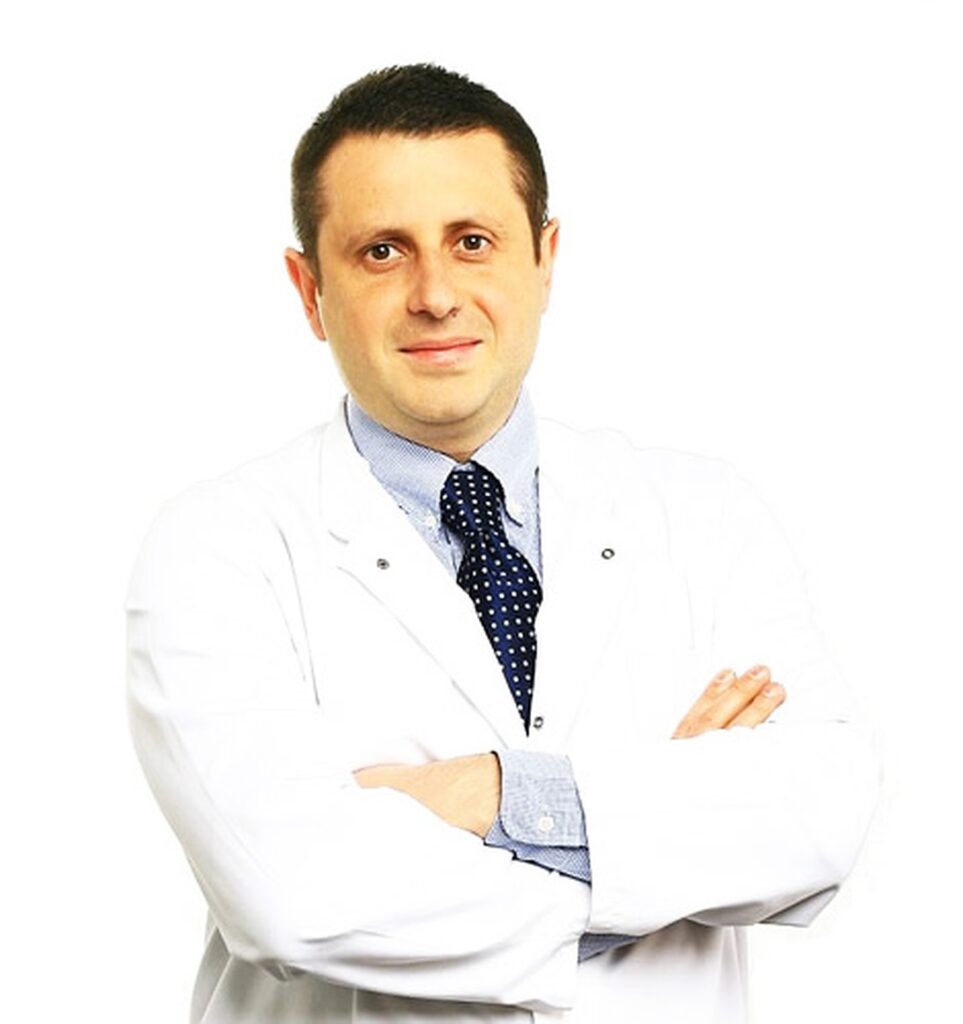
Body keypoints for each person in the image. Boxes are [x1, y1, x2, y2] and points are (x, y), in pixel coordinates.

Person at [126, 64, 877, 1023]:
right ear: (308, 290)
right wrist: (661, 824)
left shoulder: (703, 514)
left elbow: (818, 816)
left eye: (472, 242)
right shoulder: (215, 548)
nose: (436, 294)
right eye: (382, 252)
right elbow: (290, 899)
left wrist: (481, 793)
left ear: (544, 260)